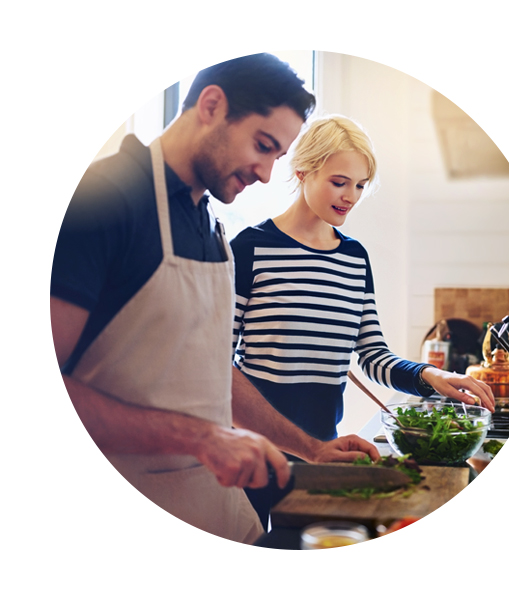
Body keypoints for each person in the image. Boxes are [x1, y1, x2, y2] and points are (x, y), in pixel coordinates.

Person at [50, 55, 380, 546]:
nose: (268, 174)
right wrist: (203, 438)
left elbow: (211, 371)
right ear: (211, 105)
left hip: (207, 501)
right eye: (263, 147)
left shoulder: (210, 226)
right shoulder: (104, 199)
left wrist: (312, 449)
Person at [230, 115, 495, 524]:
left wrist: (430, 377)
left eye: (360, 185)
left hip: (324, 454)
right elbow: (216, 365)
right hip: (255, 455)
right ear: (302, 171)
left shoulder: (354, 259)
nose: (350, 196)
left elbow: (372, 354)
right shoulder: (250, 249)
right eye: (339, 182)